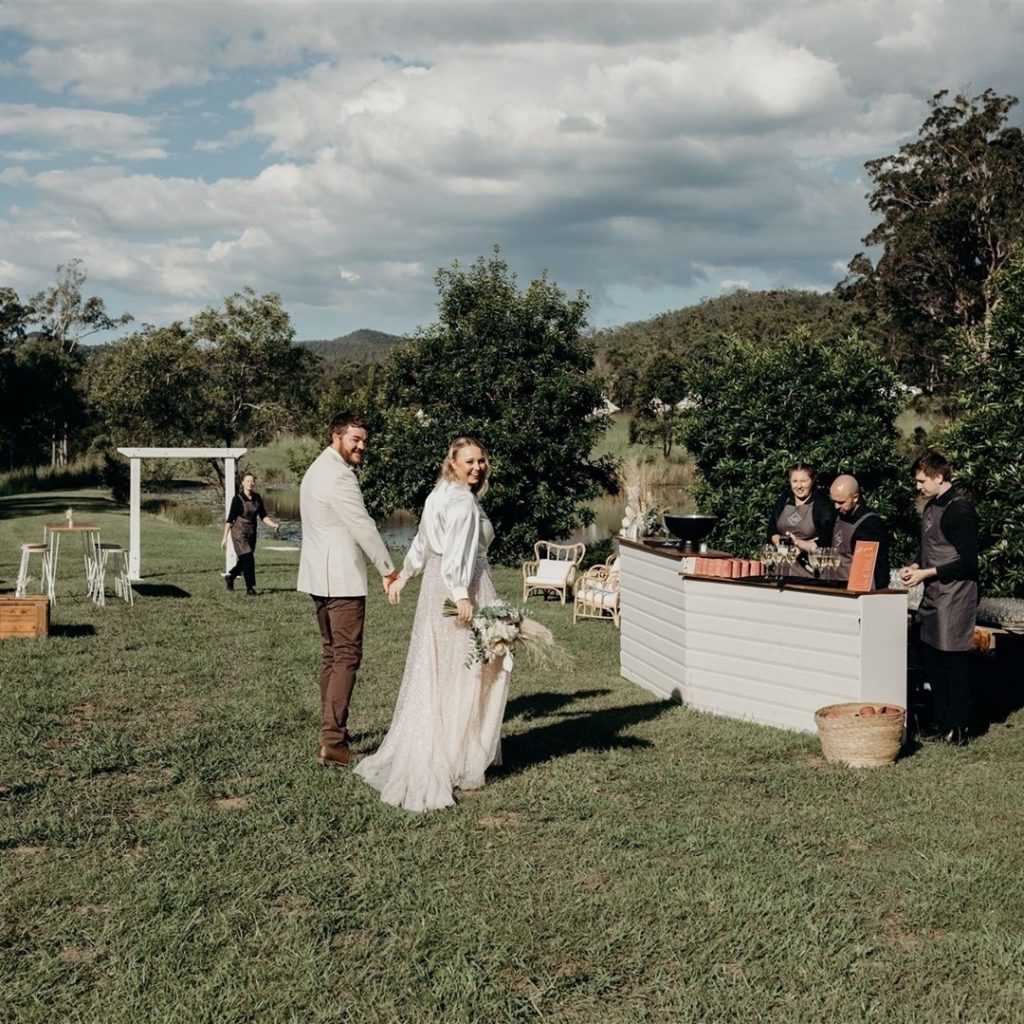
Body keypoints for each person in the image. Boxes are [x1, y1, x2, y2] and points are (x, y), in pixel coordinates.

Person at [354, 437, 509, 812]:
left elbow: (422, 542)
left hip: (435, 586)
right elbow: (454, 553)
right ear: (452, 464)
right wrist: (461, 596)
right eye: (470, 461)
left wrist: (405, 575)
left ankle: (455, 747)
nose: (478, 467)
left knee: (442, 669)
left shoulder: (438, 494)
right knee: (475, 670)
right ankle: (461, 757)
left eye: (482, 461)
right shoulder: (461, 503)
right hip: (460, 588)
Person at [297, 412, 398, 767]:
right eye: (355, 439)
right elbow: (363, 526)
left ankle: (331, 733)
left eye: (365, 441)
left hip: (318, 578)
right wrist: (387, 570)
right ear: (335, 435)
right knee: (346, 657)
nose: (361, 446)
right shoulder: (339, 476)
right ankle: (334, 742)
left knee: (332, 654)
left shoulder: (315, 469)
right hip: (340, 580)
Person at [899, 451, 979, 745]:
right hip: (934, 592)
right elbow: (929, 547)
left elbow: (969, 562)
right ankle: (941, 721)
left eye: (921, 481)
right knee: (930, 657)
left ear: (938, 476)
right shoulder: (931, 507)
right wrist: (916, 566)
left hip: (956, 595)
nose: (918, 486)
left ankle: (959, 729)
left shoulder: (960, 510)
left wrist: (927, 573)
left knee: (952, 661)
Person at [790, 474, 890, 589]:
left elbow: (875, 568)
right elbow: (822, 545)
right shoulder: (836, 516)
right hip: (833, 586)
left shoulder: (870, 524)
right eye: (834, 502)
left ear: (855, 497)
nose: (837, 506)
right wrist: (798, 543)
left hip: (857, 591)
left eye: (841, 502)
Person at [766, 462, 835, 578]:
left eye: (803, 481)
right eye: (795, 481)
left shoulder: (822, 505)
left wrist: (800, 544)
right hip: (780, 569)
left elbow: (828, 539)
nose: (799, 486)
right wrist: (780, 542)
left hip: (809, 571)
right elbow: (771, 529)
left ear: (812, 481)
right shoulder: (783, 500)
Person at [221, 472, 280, 595]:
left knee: (244, 561)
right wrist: (224, 538)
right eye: (247, 481)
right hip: (239, 533)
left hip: (251, 533)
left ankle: (230, 577)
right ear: (243, 483)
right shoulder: (237, 499)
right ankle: (250, 588)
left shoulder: (257, 498)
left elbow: (263, 516)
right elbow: (230, 519)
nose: (250, 483)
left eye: (252, 481)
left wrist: (273, 524)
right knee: (249, 559)